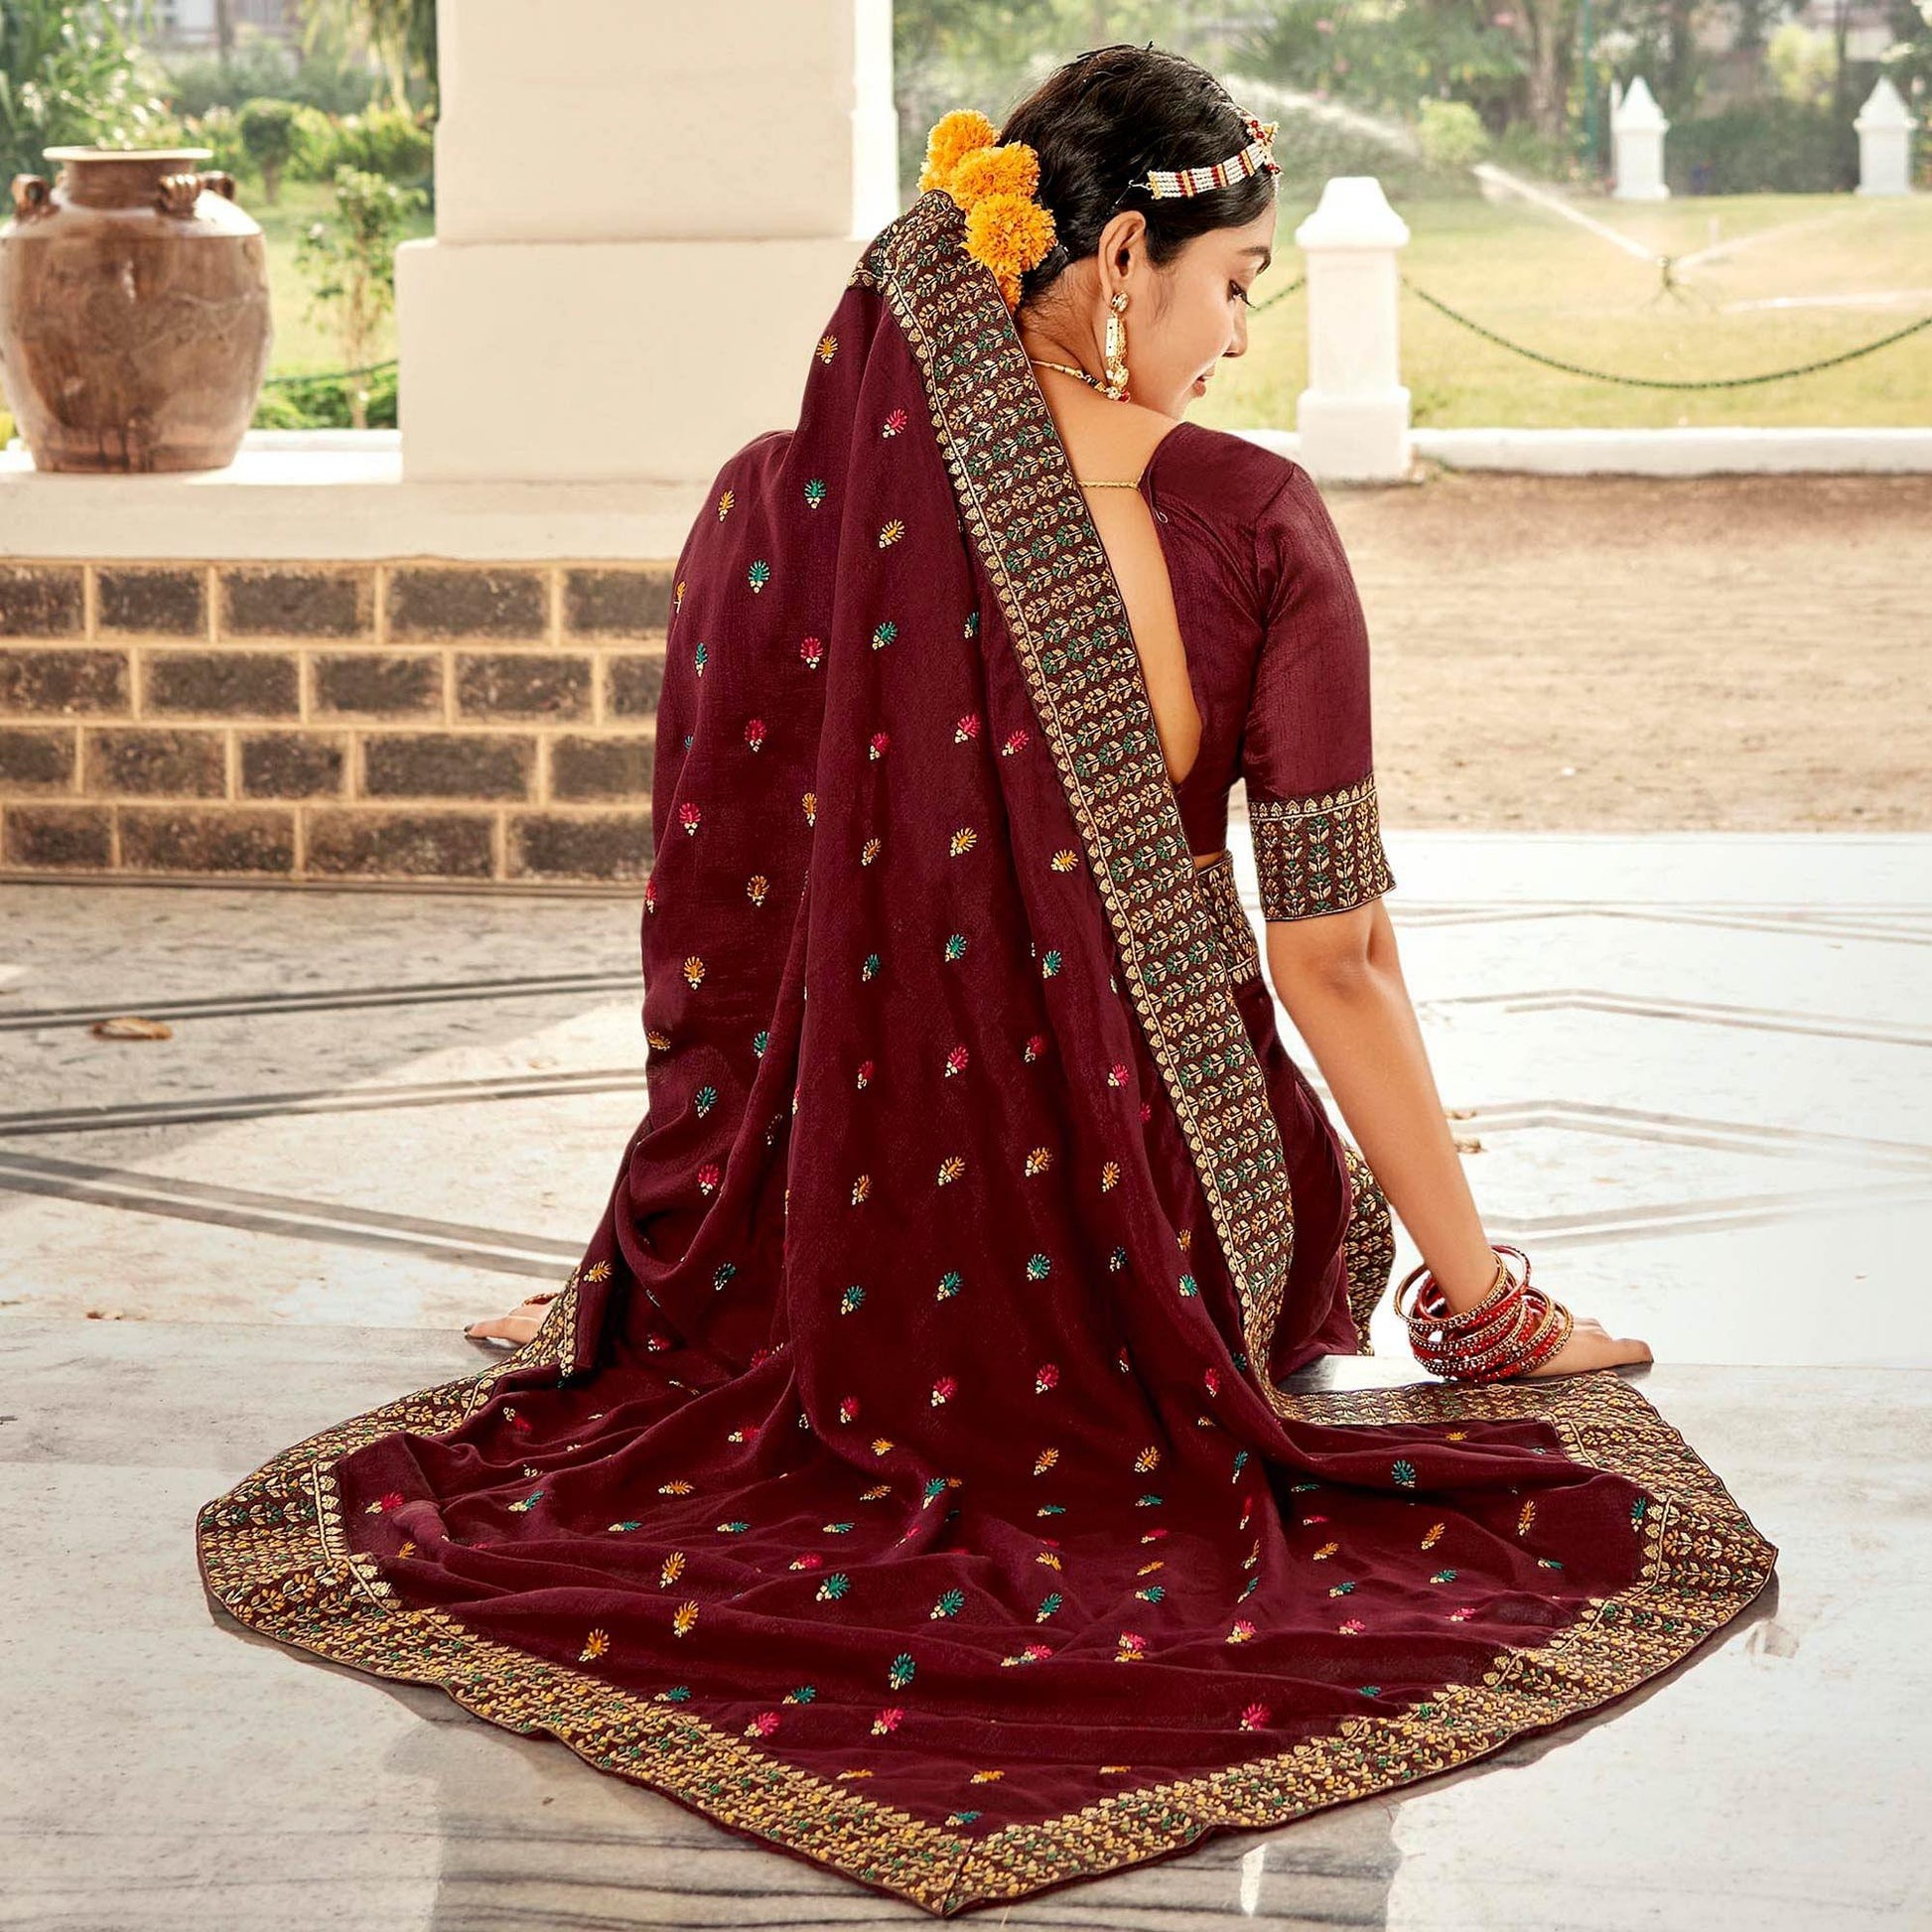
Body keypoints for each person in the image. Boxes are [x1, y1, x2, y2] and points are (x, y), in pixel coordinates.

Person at [198, 47, 1776, 1917]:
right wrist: (1486, 1303)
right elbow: (1333, 947)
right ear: (1120, 263)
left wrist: (670, 1242)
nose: (1243, 332)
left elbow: (728, 918)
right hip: (1174, 1228)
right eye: (1237, 280)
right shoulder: (1253, 523)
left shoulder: (779, 503)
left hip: (822, 1232)